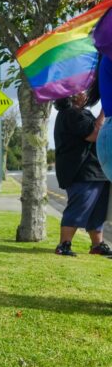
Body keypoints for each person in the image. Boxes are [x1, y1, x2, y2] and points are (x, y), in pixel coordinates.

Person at [52, 82, 112, 257]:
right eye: (81, 91)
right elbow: (94, 135)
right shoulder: (71, 114)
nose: (85, 93)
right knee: (80, 207)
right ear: (71, 96)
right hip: (82, 171)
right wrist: (105, 110)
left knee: (97, 212)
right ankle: (64, 244)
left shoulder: (80, 113)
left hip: (94, 170)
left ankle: (97, 245)